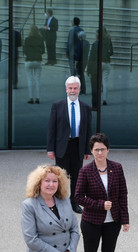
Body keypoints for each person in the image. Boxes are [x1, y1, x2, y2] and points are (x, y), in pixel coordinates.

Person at [75, 133, 130, 252]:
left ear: (108, 150)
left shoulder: (117, 168)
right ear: (91, 151)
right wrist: (100, 204)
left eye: (103, 149)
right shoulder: (85, 171)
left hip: (112, 222)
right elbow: (78, 197)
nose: (100, 153)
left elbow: (123, 195)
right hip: (91, 221)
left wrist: (125, 219)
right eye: (96, 150)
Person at [47, 76, 92, 213]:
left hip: (78, 145)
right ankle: (60, 202)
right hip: (62, 146)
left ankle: (74, 202)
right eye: (70, 88)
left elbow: (88, 130)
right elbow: (51, 128)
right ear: (66, 89)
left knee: (77, 177)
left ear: (79, 89)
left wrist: (88, 150)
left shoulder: (85, 107)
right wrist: (50, 149)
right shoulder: (57, 106)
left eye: (75, 88)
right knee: (61, 176)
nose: (73, 91)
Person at [24, 25, 45, 104]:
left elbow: (25, 51)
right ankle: (37, 98)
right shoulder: (40, 39)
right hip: (38, 60)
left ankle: (30, 98)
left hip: (29, 60)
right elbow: (43, 51)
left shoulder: (27, 39)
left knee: (29, 79)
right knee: (37, 79)